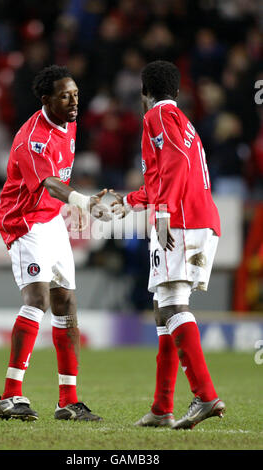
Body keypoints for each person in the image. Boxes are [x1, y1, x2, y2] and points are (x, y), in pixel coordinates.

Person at [110, 60, 225, 430]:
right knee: (163, 309)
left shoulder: (157, 117)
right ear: (176, 90)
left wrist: (161, 215)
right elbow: (163, 176)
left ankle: (205, 395)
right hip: (194, 216)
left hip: (181, 220)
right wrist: (126, 202)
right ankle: (162, 408)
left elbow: (173, 165)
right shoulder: (183, 122)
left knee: (173, 303)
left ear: (145, 92)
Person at [0, 64, 110, 422]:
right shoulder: (33, 139)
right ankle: (10, 397)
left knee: (66, 303)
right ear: (46, 100)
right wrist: (85, 202)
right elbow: (49, 183)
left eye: (75, 93)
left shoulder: (70, 122)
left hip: (51, 219)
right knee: (37, 298)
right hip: (24, 220)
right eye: (65, 95)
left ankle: (68, 401)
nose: (74, 100)